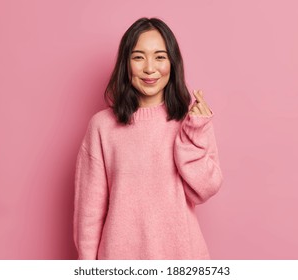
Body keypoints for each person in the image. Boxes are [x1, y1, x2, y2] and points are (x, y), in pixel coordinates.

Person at [73, 17, 223, 260]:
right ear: (126, 63)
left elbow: (204, 190)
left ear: (173, 63)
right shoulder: (102, 126)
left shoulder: (191, 119)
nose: (150, 68)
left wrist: (193, 133)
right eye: (138, 57)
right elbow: (89, 212)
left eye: (160, 57)